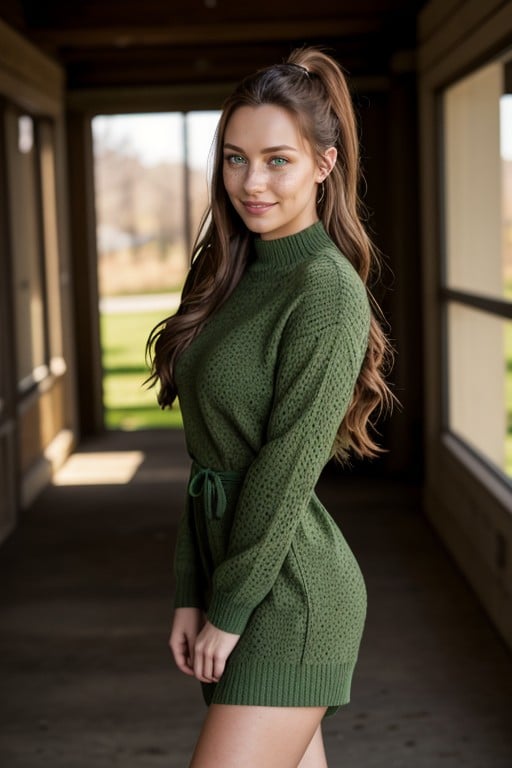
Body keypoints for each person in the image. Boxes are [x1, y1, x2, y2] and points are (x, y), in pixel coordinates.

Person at [147, 46, 394, 768]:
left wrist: (226, 608)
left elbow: (283, 472)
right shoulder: (235, 270)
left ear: (324, 163)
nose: (250, 183)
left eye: (276, 160)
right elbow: (209, 465)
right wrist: (192, 592)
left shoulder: (325, 290)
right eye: (234, 158)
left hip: (292, 599)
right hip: (238, 585)